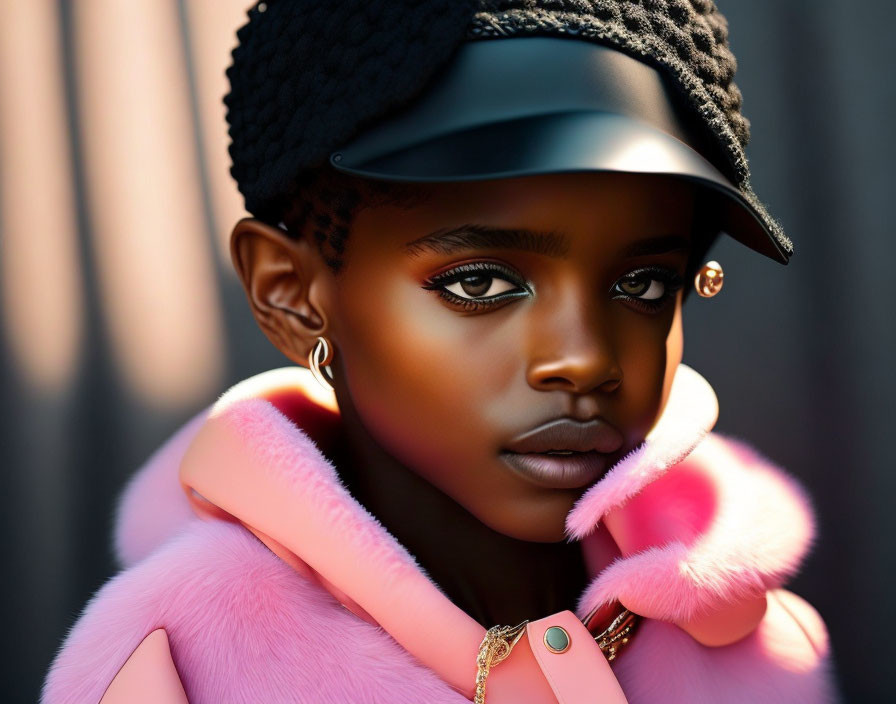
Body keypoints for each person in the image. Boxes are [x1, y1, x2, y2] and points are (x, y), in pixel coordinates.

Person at [42, 1, 837, 702]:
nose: (584, 359)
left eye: (644, 284)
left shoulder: (762, 646)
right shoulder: (169, 671)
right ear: (291, 293)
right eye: (482, 284)